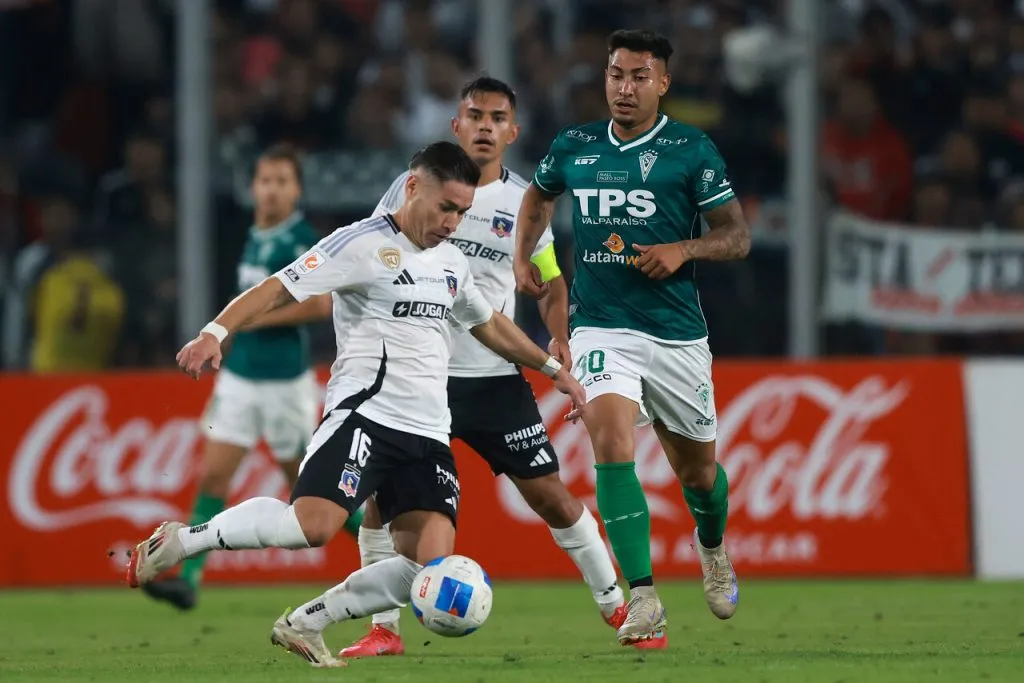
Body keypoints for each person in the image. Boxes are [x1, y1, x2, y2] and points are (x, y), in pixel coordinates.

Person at [126, 141, 587, 668]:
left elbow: (489, 324)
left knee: (424, 567)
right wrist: (215, 331)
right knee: (313, 528)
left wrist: (553, 371)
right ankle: (184, 541)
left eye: (461, 211)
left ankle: (305, 623)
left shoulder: (451, 260)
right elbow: (280, 288)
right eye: (446, 208)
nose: (454, 221)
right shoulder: (361, 244)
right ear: (414, 187)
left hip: (429, 432)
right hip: (366, 416)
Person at [339, 76, 643, 657]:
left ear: (513, 130)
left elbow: (550, 281)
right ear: (456, 126)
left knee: (550, 494)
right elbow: (372, 257)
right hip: (417, 378)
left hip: (496, 377)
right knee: (378, 497)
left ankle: (619, 608)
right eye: (474, 115)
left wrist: (558, 340)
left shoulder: (525, 204)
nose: (484, 125)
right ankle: (383, 631)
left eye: (496, 117)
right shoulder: (412, 190)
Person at [513, 29, 751, 646]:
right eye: (616, 74)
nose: (625, 87)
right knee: (609, 439)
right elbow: (536, 200)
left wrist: (684, 248)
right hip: (600, 327)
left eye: (640, 76)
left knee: (697, 474)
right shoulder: (575, 145)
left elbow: (736, 236)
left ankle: (713, 546)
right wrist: (527, 262)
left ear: (663, 83)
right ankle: (642, 597)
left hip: (676, 335)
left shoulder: (690, 149)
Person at [140, 143, 363, 611]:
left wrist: (243, 321)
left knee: (310, 494)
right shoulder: (255, 235)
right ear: (252, 187)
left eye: (282, 181)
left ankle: (387, 551)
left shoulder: (302, 238)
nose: (272, 190)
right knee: (213, 478)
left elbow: (320, 304)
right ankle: (190, 581)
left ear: (298, 190)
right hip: (239, 379)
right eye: (265, 181)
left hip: (285, 382)